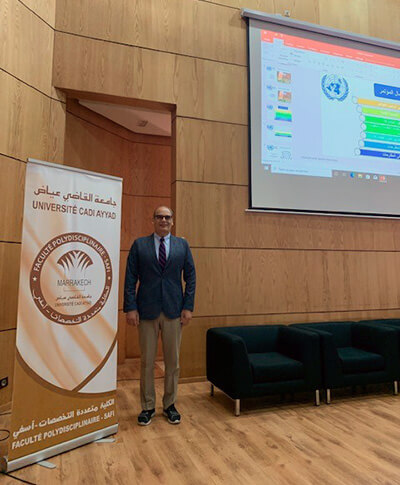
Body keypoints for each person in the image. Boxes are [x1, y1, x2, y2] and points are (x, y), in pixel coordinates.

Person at [123, 206, 196, 426]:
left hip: (174, 311)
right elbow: (130, 279)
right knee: (147, 362)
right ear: (153, 220)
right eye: (159, 217)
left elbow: (191, 278)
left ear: (172, 221)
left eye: (167, 217)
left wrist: (188, 307)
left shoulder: (182, 245)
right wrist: (130, 307)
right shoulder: (139, 245)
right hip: (146, 311)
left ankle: (170, 405)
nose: (163, 220)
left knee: (172, 362)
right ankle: (147, 407)